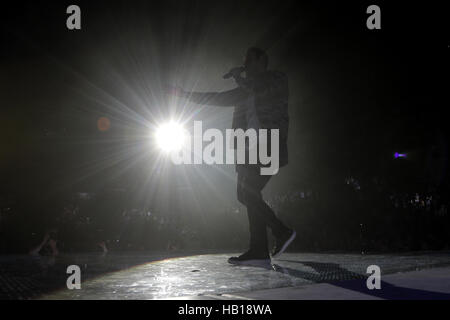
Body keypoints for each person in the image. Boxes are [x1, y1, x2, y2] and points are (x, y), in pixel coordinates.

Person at [166, 47, 296, 265]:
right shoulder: (246, 90)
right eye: (244, 62)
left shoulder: (276, 78)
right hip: (251, 148)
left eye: (249, 61)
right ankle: (259, 249)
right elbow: (217, 98)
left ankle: (280, 231)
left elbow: (259, 87)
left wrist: (238, 77)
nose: (245, 66)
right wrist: (184, 94)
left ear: (262, 60)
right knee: (245, 194)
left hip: (270, 142)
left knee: (248, 192)